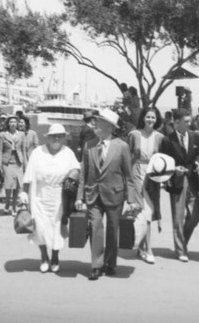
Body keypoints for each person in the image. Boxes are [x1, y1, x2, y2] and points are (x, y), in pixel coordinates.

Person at [75, 108, 137, 281]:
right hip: (93, 195)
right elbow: (83, 173)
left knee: (112, 230)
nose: (95, 124)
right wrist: (79, 197)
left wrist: (131, 200)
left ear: (110, 126)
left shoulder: (122, 147)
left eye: (100, 122)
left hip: (115, 194)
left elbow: (129, 176)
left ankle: (110, 263)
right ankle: (96, 265)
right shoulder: (89, 145)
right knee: (95, 229)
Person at [20, 124, 80, 273]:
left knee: (56, 229)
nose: (57, 138)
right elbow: (28, 175)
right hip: (39, 196)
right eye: (54, 135)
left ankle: (55, 257)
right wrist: (24, 193)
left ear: (64, 137)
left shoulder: (68, 153)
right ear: (48, 137)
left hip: (60, 197)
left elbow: (76, 171)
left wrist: (72, 178)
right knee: (40, 229)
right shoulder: (37, 152)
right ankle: (43, 257)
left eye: (60, 135)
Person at [161, 108, 199, 262]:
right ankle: (180, 250)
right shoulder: (167, 140)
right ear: (177, 122)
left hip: (192, 180)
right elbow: (163, 163)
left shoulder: (194, 137)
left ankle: (182, 242)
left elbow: (197, 155)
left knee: (195, 214)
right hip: (177, 182)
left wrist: (197, 163)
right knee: (178, 218)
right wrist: (173, 170)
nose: (189, 124)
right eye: (186, 121)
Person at [127, 107, 165, 264]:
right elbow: (127, 157)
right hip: (136, 173)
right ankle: (145, 248)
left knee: (149, 211)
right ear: (143, 118)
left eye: (153, 117)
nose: (150, 120)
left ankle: (144, 247)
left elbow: (163, 159)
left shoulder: (161, 137)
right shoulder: (133, 135)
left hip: (153, 177)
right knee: (142, 211)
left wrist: (162, 179)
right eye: (148, 117)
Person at [0, 115, 25, 215]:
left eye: (15, 122)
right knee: (8, 184)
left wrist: (25, 164)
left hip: (18, 162)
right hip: (7, 162)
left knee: (17, 185)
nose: (13, 124)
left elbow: (23, 150)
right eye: (11, 122)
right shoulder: (2, 135)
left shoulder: (21, 134)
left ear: (17, 124)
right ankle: (8, 201)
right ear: (8, 124)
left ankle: (14, 206)